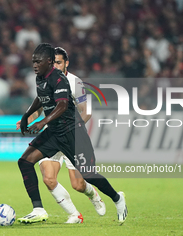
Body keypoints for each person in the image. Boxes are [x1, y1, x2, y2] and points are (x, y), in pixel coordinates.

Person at [16, 43, 127, 224]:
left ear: (50, 62)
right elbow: (41, 98)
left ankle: (117, 198)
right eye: (33, 61)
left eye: (38, 61)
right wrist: (27, 115)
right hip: (53, 133)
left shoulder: (60, 78)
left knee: (88, 175)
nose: (34, 65)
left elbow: (62, 105)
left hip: (72, 133)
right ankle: (38, 209)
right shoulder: (40, 77)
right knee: (25, 161)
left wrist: (42, 121)